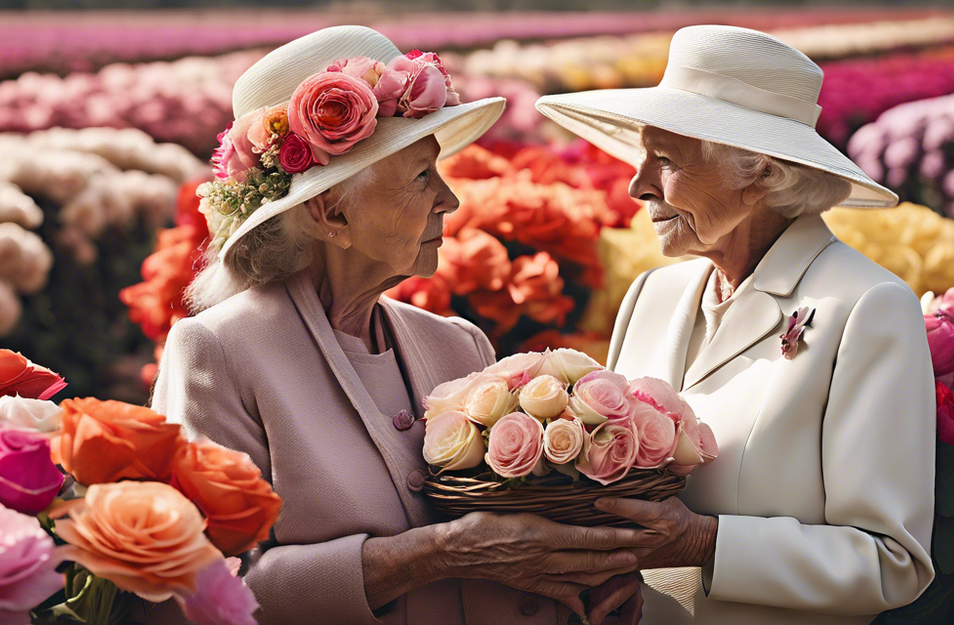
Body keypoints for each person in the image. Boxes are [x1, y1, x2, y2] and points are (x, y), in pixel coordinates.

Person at [153, 25, 652, 625]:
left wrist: (590, 576)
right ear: (330, 210)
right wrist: (437, 555)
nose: (450, 200)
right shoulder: (219, 352)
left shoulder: (457, 343)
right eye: (421, 177)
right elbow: (205, 590)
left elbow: (516, 544)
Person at [536, 25, 936, 625]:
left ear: (760, 174)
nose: (636, 184)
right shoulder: (653, 293)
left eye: (664, 160)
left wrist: (702, 542)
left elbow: (889, 562)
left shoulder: (867, 305)